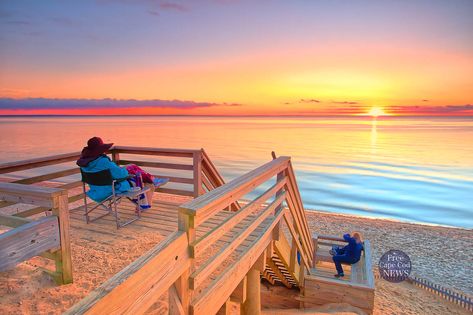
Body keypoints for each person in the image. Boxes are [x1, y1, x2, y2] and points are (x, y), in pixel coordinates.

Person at [77, 136, 131, 202]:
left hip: (94, 192)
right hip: (109, 191)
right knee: (135, 178)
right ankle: (143, 205)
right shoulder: (103, 161)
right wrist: (126, 171)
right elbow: (121, 175)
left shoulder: (84, 164)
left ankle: (142, 205)